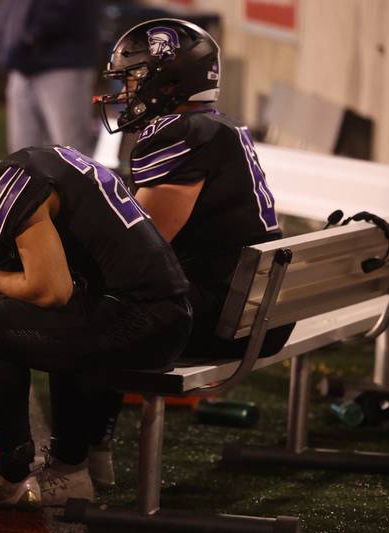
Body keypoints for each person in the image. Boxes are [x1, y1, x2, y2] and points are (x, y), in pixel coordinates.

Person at [45, 18, 296, 500]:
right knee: (112, 297)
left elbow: (142, 244)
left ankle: (70, 463)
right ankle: (92, 453)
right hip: (257, 308)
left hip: (228, 316)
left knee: (85, 307)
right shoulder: (218, 126)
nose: (125, 89)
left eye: (134, 76)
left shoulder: (177, 133)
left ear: (170, 79)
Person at [0, 149, 192, 527]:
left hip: (142, 321)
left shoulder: (6, 192)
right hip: (157, 314)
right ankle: (16, 475)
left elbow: (51, 290)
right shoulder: (33, 165)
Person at [0, 0, 102, 155]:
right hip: (21, 66)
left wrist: (31, 35)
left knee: (72, 157)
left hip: (64, 64)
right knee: (21, 159)